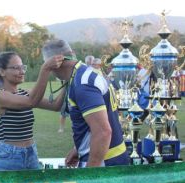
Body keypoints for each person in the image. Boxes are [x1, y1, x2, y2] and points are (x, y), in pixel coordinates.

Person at [42, 39, 129, 168]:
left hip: (104, 161)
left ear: (54, 63)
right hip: (110, 156)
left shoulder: (82, 82)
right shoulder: (84, 73)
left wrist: (89, 174)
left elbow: (103, 132)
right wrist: (78, 149)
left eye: (47, 64)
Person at [0, 51, 64, 171]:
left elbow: (56, 105)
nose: (22, 71)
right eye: (16, 68)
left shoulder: (25, 93)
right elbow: (31, 102)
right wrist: (45, 69)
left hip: (31, 153)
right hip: (8, 157)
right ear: (2, 71)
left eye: (23, 67)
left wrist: (68, 79)